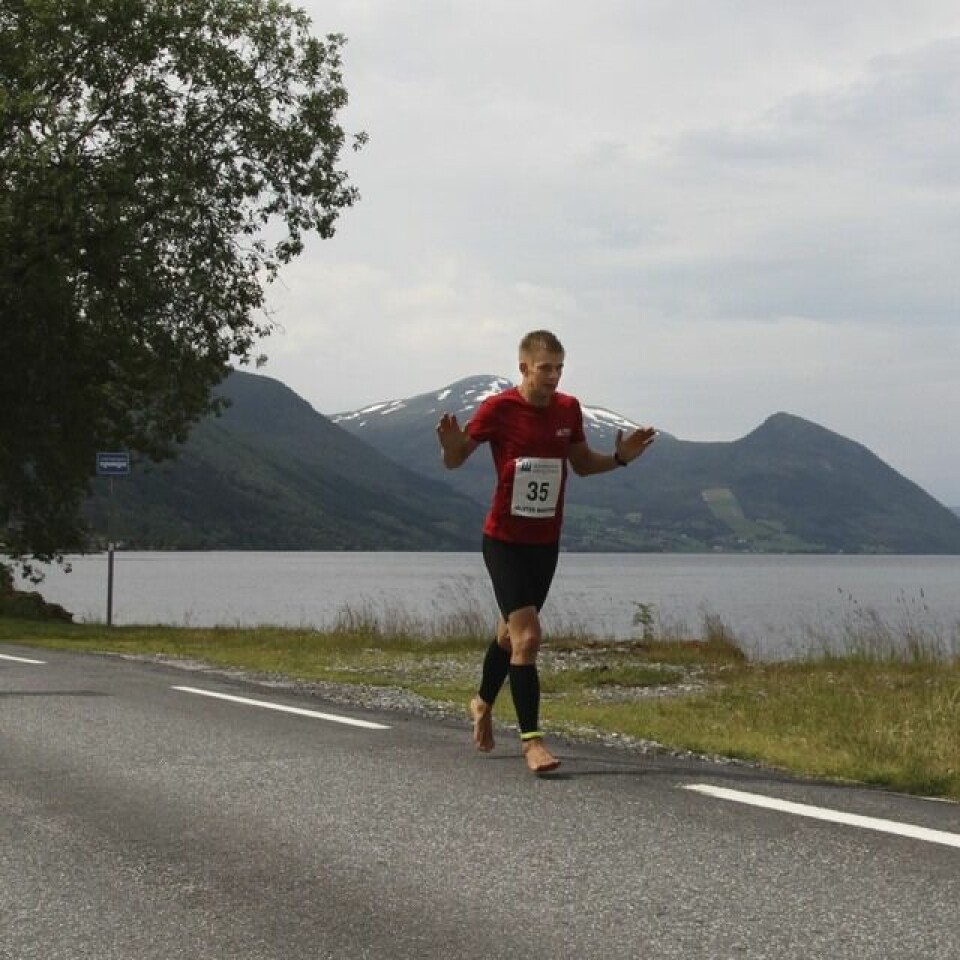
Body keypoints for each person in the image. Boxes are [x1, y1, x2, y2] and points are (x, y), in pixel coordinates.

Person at [435, 330, 656, 773]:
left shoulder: (568, 410)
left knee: (508, 635)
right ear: (524, 368)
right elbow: (456, 459)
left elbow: (582, 465)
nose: (554, 376)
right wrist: (449, 446)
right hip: (503, 541)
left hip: (545, 543)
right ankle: (532, 742)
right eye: (545, 368)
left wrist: (621, 458)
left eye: (559, 368)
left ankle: (481, 702)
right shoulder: (498, 409)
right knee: (529, 638)